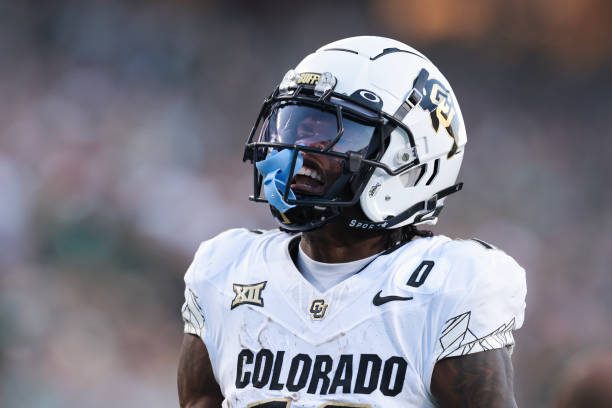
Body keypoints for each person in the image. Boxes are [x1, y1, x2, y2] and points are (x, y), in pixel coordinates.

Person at [178, 36, 527, 407]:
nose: (299, 148)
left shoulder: (447, 287)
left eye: (330, 133)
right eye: (296, 126)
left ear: (411, 161)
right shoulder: (226, 269)